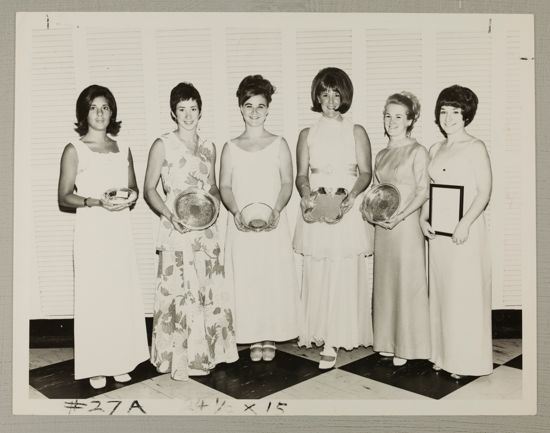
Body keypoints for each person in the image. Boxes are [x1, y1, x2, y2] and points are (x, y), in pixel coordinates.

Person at [144, 82, 238, 380]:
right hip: (176, 227)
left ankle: (209, 354)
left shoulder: (209, 146)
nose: (188, 115)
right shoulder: (162, 144)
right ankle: (180, 358)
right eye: (181, 109)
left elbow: (212, 186)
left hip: (205, 230)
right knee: (180, 292)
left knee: (206, 290)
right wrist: (170, 216)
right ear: (173, 112)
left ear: (200, 111)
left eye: (193, 109)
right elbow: (149, 189)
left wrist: (213, 206)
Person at [57, 84, 149, 389]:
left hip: (118, 230)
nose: (100, 113)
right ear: (84, 113)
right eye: (94, 107)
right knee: (95, 297)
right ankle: (96, 364)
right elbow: (64, 197)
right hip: (92, 231)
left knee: (120, 296)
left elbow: (133, 190)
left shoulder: (123, 148)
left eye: (105, 107)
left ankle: (120, 360)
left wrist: (127, 198)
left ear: (113, 112)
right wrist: (95, 201)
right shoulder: (75, 149)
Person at [293, 67, 373, 369]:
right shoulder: (306, 133)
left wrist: (352, 196)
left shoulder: (356, 131)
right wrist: (304, 194)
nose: (330, 99)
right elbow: (301, 175)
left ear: (344, 96)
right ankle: (318, 332)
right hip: (317, 205)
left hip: (345, 207)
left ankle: (334, 339)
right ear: (317, 95)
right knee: (317, 269)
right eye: (324, 93)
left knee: (342, 271)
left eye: (336, 93)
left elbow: (366, 172)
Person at [219, 75, 299, 362]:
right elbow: (225, 186)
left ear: (268, 109)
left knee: (271, 276)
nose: (255, 112)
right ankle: (253, 336)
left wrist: (277, 210)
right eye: (249, 105)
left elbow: (288, 182)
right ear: (240, 108)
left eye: (260, 106)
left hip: (273, 222)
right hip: (241, 223)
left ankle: (270, 335)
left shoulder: (279, 144)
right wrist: (236, 212)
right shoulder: (230, 146)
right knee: (248, 278)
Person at [420, 84, 493, 379]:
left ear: (466, 116)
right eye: (443, 111)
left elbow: (485, 192)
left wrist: (464, 223)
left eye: (455, 111)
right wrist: (424, 219)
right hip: (439, 236)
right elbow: (430, 191)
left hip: (466, 233)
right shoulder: (435, 149)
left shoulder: (476, 146)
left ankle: (466, 361)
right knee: (441, 293)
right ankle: (443, 355)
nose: (448, 117)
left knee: (463, 294)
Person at [368, 92, 431, 367]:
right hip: (384, 227)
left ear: (410, 120)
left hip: (406, 227)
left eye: (398, 117)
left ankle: (406, 345)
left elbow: (422, 191)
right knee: (385, 284)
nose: (391, 122)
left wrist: (402, 216)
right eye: (387, 116)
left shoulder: (418, 151)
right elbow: (376, 191)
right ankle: (386, 341)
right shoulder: (381, 154)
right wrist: (372, 215)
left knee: (407, 283)